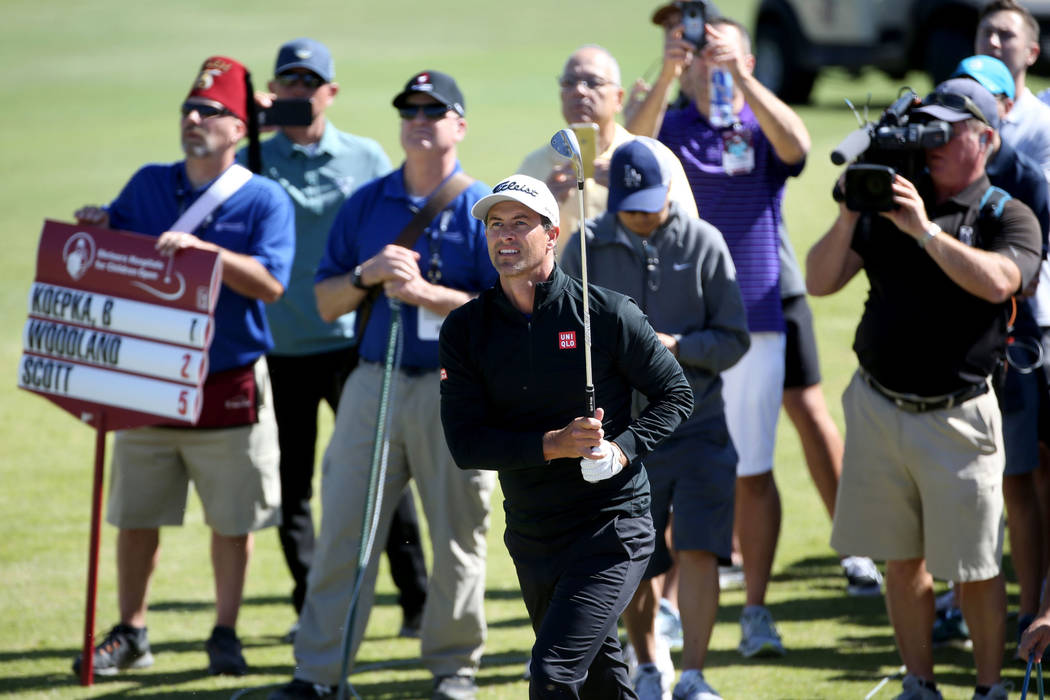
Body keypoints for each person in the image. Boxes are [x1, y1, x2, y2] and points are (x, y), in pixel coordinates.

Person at [806, 79, 1041, 700]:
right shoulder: (886, 201)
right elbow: (820, 280)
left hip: (958, 418)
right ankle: (919, 683)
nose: (931, 144)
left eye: (948, 131)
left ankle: (989, 688)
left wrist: (927, 233)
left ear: (986, 139)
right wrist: (853, 209)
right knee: (899, 558)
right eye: (925, 129)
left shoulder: (1004, 213)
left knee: (976, 566)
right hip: (879, 406)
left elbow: (1000, 284)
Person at [269, 70, 497, 700]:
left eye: (434, 109)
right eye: (409, 110)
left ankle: (455, 668)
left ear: (460, 125)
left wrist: (429, 295)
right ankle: (319, 673)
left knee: (457, 535)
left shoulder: (484, 209)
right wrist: (368, 274)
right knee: (345, 530)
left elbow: (506, 315)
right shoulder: (367, 204)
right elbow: (323, 301)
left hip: (457, 392)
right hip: (373, 384)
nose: (419, 119)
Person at [70, 56, 295, 676]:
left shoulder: (264, 198)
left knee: (232, 520)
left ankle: (224, 630)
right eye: (189, 109)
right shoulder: (147, 184)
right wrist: (96, 227)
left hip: (228, 383)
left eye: (212, 111)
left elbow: (272, 284)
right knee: (137, 514)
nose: (194, 119)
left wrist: (208, 253)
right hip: (145, 377)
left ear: (240, 127)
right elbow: (111, 254)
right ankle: (131, 631)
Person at [439, 173, 694, 699]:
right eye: (495, 224)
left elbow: (676, 396)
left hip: (611, 528)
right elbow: (466, 444)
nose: (505, 236)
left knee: (554, 672)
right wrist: (553, 445)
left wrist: (622, 450)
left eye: (520, 224)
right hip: (533, 533)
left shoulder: (607, 313)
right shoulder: (466, 329)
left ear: (552, 233)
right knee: (602, 682)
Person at [628, 12, 810, 657]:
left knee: (753, 472)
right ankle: (673, 604)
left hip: (754, 321)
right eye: (697, 53)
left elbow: (799, 147)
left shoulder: (758, 126)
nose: (707, 60)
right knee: (671, 468)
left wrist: (742, 75)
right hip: (676, 325)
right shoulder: (670, 123)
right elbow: (633, 151)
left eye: (718, 52)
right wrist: (671, 71)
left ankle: (755, 609)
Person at [246, 37, 428, 642]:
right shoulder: (252, 157)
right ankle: (312, 610)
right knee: (292, 487)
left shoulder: (365, 155)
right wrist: (245, 123)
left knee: (386, 473)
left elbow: (404, 221)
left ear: (330, 92)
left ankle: (417, 601)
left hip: (356, 343)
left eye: (308, 83)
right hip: (281, 346)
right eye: (286, 83)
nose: (298, 93)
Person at [560, 137, 748, 699]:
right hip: (624, 433)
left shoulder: (704, 242)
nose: (641, 215)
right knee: (632, 557)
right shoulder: (586, 246)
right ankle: (648, 668)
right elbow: (562, 332)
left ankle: (692, 674)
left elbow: (733, 339)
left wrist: (678, 346)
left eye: (651, 202)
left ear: (671, 192)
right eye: (630, 204)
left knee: (696, 549)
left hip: (698, 423)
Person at [947, 58, 1050, 649]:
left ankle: (1032, 606)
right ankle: (968, 604)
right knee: (985, 483)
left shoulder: (1027, 175)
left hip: (1023, 345)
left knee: (1028, 478)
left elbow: (1031, 276)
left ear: (1004, 111)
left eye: (979, 101)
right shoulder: (934, 173)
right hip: (958, 351)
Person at [517, 44, 698, 254]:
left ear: (619, 98)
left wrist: (634, 196)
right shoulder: (535, 166)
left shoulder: (654, 159)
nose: (579, 90)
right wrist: (541, 206)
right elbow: (509, 246)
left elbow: (687, 235)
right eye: (569, 83)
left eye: (594, 82)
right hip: (561, 286)